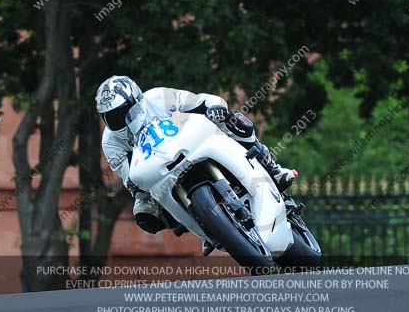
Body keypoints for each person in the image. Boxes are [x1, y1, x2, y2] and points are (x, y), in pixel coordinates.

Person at [96, 75, 297, 253]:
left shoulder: (158, 97)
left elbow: (197, 101)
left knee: (235, 121)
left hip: (190, 142)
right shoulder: (111, 142)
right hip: (158, 172)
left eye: (124, 111)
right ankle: (205, 224)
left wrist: (213, 107)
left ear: (138, 99)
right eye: (111, 117)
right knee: (144, 213)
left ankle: (273, 168)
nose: (121, 119)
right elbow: (128, 176)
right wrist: (136, 188)